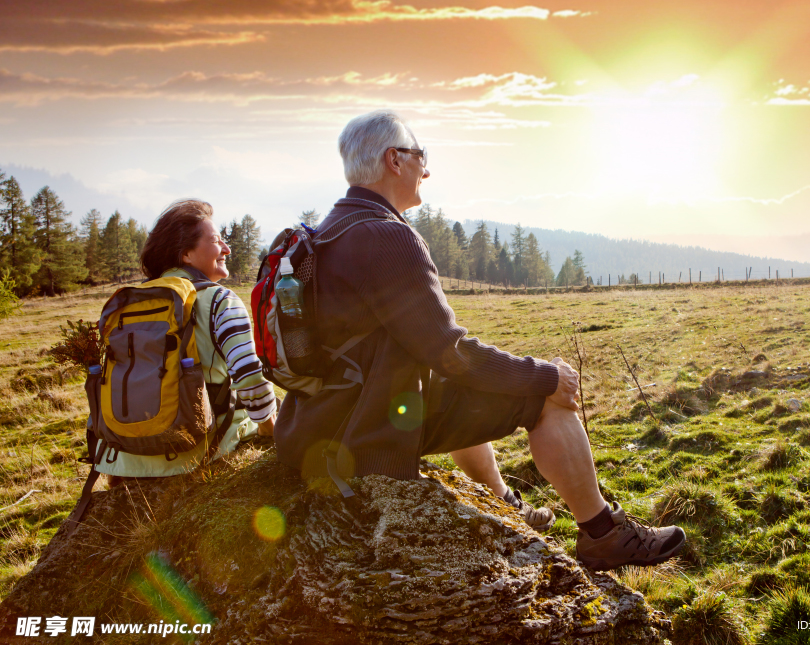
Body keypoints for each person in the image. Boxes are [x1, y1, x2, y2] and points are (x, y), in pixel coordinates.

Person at [275, 110, 686, 570]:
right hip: (360, 437)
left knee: (460, 388)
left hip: (315, 426)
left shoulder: (324, 232)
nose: (425, 170)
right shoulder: (387, 237)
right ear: (394, 160)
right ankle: (603, 535)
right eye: (419, 156)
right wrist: (545, 375)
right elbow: (450, 354)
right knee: (544, 400)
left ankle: (506, 503)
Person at [95, 200, 277, 482]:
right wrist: (269, 429)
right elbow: (248, 375)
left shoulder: (130, 302)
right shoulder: (221, 300)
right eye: (217, 241)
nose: (227, 249)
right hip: (193, 452)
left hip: (125, 458)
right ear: (187, 255)